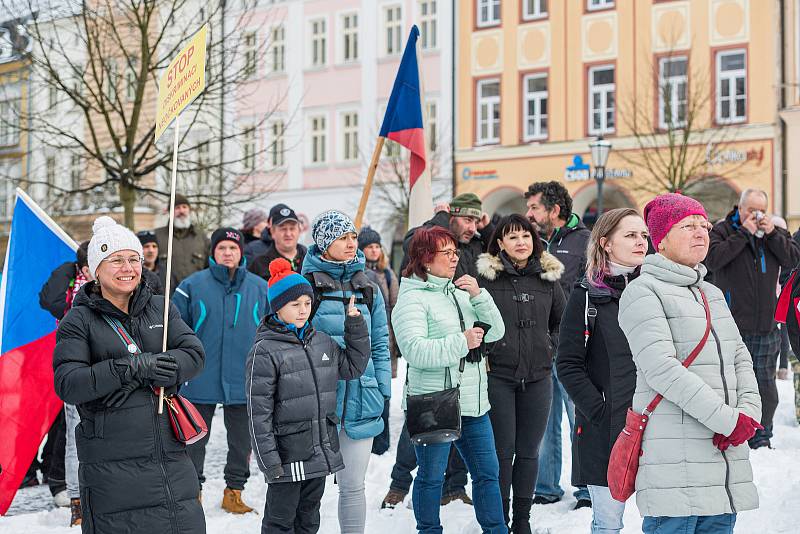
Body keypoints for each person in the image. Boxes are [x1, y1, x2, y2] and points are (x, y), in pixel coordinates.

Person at [53, 216, 206, 534]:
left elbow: (193, 354)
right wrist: (130, 367)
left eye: (133, 259)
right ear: (95, 270)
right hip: (112, 466)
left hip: (169, 458)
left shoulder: (161, 307)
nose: (128, 268)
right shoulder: (77, 321)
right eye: (116, 260)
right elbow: (69, 384)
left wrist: (167, 367)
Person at [618, 194, 761, 534]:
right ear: (661, 240)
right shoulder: (643, 292)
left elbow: (740, 356)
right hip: (674, 468)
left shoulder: (710, 293)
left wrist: (749, 414)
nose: (700, 233)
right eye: (687, 226)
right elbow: (662, 369)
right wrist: (728, 421)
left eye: (704, 225)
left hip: (722, 467)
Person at [393, 225, 507, 534]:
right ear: (425, 258)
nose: (455, 258)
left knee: (487, 473)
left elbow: (495, 332)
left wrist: (479, 296)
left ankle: (496, 530)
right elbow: (414, 351)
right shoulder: (411, 300)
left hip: (472, 401)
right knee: (432, 476)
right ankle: (428, 530)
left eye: (456, 252)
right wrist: (462, 342)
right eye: (447, 253)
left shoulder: (460, 292)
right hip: (433, 401)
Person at [247, 259, 371, 534]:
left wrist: (355, 326)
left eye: (307, 303)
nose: (303, 310)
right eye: (295, 305)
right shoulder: (265, 350)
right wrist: (269, 461)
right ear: (278, 307)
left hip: (319, 450)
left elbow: (353, 367)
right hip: (287, 456)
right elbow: (259, 413)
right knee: (280, 522)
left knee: (309, 518)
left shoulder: (322, 341)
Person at [382, 195, 486, 509]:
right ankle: (399, 484)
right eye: (466, 220)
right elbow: (413, 271)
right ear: (449, 217)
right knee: (423, 425)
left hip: (466, 349)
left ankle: (454, 486)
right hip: (433, 347)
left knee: (460, 421)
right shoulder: (424, 238)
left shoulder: (474, 246)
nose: (472, 226)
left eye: (476, 220)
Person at [556, 208, 649, 534]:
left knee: (662, 519)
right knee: (608, 524)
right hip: (607, 430)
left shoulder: (656, 292)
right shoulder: (586, 295)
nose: (641, 242)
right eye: (631, 235)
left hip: (659, 426)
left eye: (644, 235)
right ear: (606, 243)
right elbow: (567, 364)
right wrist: (600, 408)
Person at [301, 210, 391, 534]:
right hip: (318, 400)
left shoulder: (368, 287)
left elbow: (381, 342)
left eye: (354, 237)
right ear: (324, 243)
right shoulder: (306, 286)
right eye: (343, 237)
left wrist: (382, 388)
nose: (352, 243)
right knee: (309, 488)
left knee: (353, 485)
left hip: (362, 396)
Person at [476, 214, 565, 533]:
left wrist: (549, 346)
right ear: (500, 244)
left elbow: (561, 322)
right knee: (502, 453)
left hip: (539, 377)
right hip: (498, 376)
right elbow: (474, 321)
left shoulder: (548, 278)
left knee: (529, 452)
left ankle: (522, 520)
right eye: (512, 237)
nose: (521, 242)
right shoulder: (486, 279)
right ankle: (498, 518)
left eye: (525, 236)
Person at [173, 227, 268, 513]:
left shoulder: (259, 287)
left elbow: (269, 328)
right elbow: (175, 330)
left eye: (233, 248)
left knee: (241, 442)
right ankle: (193, 492)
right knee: (194, 440)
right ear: (213, 253)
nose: (228, 253)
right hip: (199, 377)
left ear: (241, 253)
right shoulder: (191, 286)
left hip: (243, 377)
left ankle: (234, 492)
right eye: (222, 248)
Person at [706, 189, 800, 448]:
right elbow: (713, 260)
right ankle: (734, 431)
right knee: (733, 383)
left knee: (765, 385)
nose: (756, 215)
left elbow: (792, 258)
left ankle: (762, 433)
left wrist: (771, 233)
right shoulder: (723, 231)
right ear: (740, 208)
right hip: (732, 325)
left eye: (761, 210)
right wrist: (744, 234)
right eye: (751, 210)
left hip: (767, 325)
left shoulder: (774, 233)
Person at [524, 181, 591, 508]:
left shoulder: (585, 241)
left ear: (554, 209)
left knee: (580, 418)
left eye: (535, 207)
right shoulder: (531, 242)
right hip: (539, 346)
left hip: (573, 347)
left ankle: (588, 488)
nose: (529, 214)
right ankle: (546, 486)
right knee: (544, 420)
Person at [38, 241, 92, 520]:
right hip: (76, 368)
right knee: (72, 433)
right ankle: (76, 500)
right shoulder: (75, 291)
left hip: (103, 370)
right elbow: (49, 301)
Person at [358, 226, 400, 456]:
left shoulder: (388, 273)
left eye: (376, 246)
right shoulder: (360, 274)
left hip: (387, 338)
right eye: (369, 247)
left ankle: (382, 441)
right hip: (368, 336)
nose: (374, 250)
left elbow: (395, 305)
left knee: (384, 388)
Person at [154, 194, 210, 289]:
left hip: (196, 295)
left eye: (184, 207)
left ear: (189, 210)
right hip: (167, 298)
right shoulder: (157, 236)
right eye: (177, 208)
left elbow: (210, 267)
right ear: (169, 212)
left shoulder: (201, 237)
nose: (181, 211)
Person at [249, 204, 307, 282]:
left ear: (299, 231)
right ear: (272, 232)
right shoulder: (260, 264)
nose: (288, 234)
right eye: (283, 229)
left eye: (292, 228)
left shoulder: (312, 260)